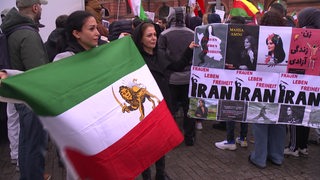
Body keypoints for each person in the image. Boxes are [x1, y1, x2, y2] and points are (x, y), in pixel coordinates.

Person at [132, 22, 197, 180]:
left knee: (160, 144)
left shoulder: (160, 54)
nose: (154, 38)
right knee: (145, 146)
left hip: (163, 104)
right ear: (140, 39)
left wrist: (189, 50)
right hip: (144, 109)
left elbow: (178, 66)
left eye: (155, 34)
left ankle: (160, 173)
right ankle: (146, 175)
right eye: (149, 35)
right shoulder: (134, 59)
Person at [0, 0, 50, 179]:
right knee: (35, 146)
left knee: (26, 143)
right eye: (41, 5)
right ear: (35, 7)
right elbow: (38, 73)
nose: (41, 9)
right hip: (32, 99)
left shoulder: (12, 30)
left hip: (21, 96)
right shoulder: (27, 34)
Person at [53, 10, 100, 179]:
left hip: (101, 126)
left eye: (97, 28)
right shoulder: (64, 60)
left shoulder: (102, 53)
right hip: (79, 131)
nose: (97, 33)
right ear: (76, 33)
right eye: (92, 29)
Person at [248, 11, 287, 169]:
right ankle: (277, 156)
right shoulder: (286, 41)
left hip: (260, 88)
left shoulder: (258, 39)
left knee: (260, 120)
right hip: (283, 89)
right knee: (279, 121)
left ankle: (260, 157)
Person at [283, 7, 320, 158]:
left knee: (295, 115)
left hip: (299, 81)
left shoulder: (301, 33)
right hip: (314, 82)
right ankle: (303, 146)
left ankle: (293, 147)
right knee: (307, 114)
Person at [158, 7, 195, 146]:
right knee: (188, 110)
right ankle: (189, 137)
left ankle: (173, 138)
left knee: (171, 110)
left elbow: (161, 58)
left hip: (172, 78)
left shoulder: (164, 35)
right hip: (189, 78)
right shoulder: (193, 33)